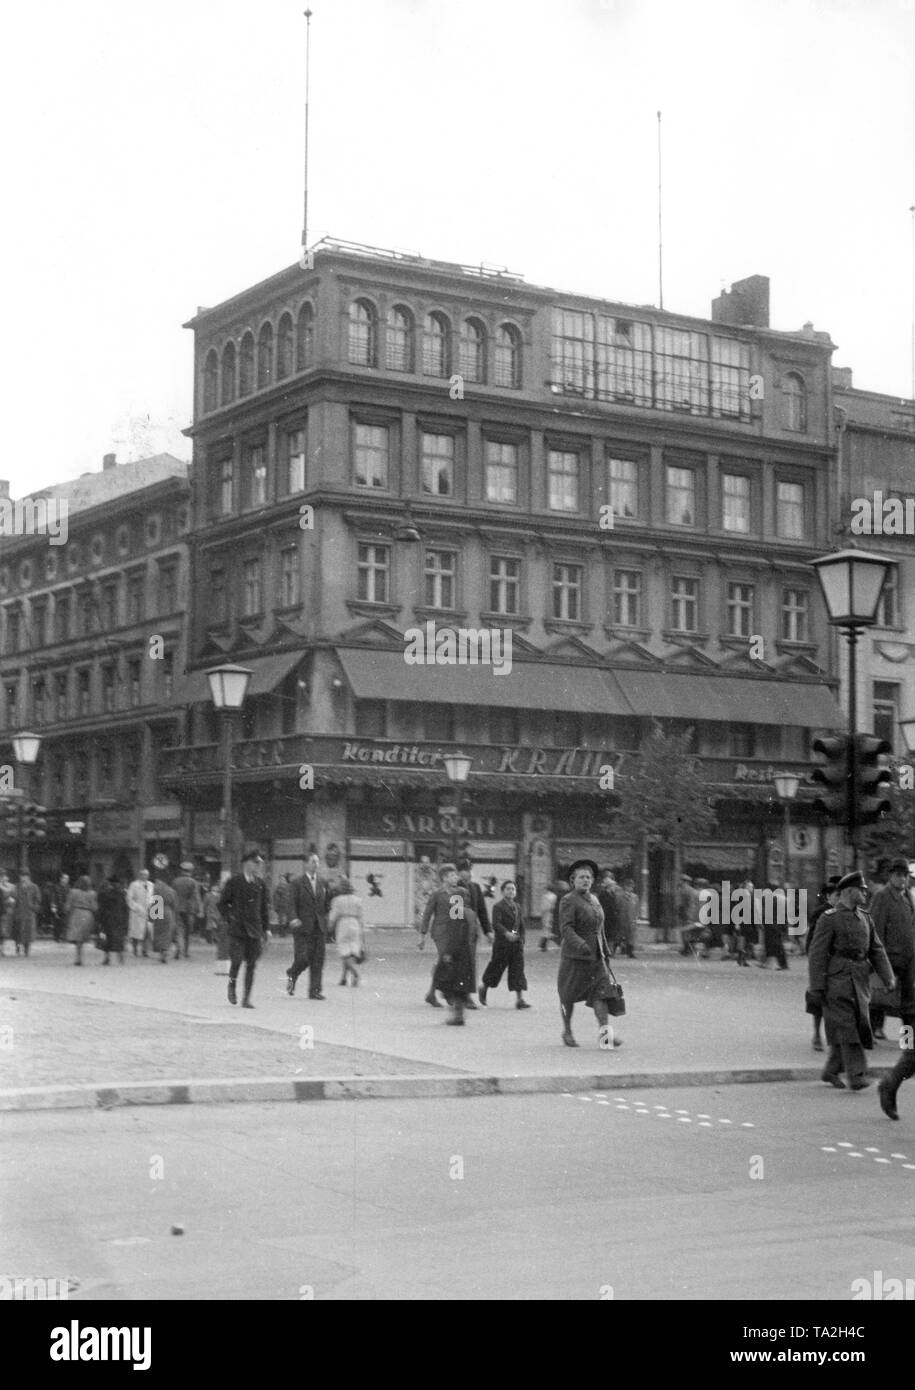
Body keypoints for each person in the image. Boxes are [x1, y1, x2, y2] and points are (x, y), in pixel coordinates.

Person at [807, 870, 895, 1091]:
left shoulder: (865, 918)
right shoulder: (829, 919)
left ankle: (831, 1070)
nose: (865, 894)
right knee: (848, 1027)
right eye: (861, 890)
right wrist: (817, 986)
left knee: (854, 1024)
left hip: (860, 979)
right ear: (849, 891)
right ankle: (856, 1075)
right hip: (837, 980)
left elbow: (877, 949)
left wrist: (888, 976)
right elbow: (817, 954)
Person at [557, 859, 624, 1050]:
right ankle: (567, 1031)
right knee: (567, 996)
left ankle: (605, 1036)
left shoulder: (594, 899)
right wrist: (580, 944)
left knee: (601, 994)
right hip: (574, 957)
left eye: (589, 877)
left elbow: (599, 927)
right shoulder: (568, 900)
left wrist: (605, 948)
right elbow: (566, 928)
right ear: (573, 880)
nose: (585, 880)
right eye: (581, 877)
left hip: (596, 956)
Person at [419, 867, 475, 1025]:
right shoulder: (438, 894)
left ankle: (433, 993)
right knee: (445, 960)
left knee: (445, 963)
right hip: (441, 932)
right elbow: (428, 913)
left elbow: (466, 912)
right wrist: (422, 935)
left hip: (456, 932)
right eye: (451, 875)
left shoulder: (461, 893)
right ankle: (446, 995)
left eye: (456, 874)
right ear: (444, 878)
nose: (455, 877)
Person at [868, 858, 915, 1041]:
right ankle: (872, 1031)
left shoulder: (909, 897)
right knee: (881, 998)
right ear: (890, 876)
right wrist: (878, 958)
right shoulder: (882, 896)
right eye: (898, 875)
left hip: (909, 959)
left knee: (909, 1005)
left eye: (905, 875)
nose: (902, 879)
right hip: (889, 958)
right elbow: (875, 928)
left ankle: (908, 1041)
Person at [219, 849, 270, 1007]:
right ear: (247, 863)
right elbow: (222, 904)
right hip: (238, 930)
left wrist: (267, 929)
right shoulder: (234, 882)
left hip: (254, 930)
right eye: (256, 863)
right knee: (236, 961)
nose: (258, 866)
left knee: (252, 965)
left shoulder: (260, 884)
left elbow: (264, 909)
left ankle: (246, 998)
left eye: (259, 863)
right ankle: (232, 985)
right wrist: (230, 918)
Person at [480, 879, 529, 1008]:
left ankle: (519, 1000)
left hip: (516, 944)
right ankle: (484, 988)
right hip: (502, 944)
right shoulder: (498, 907)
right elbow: (496, 923)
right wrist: (507, 933)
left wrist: (522, 937)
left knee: (517, 970)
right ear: (502, 892)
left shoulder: (517, 907)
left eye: (513, 889)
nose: (511, 891)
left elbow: (521, 924)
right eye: (508, 889)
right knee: (496, 968)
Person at [805, 876, 841, 1051]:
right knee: (818, 1000)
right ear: (828, 896)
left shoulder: (847, 912)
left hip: (839, 964)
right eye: (835, 895)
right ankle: (817, 1034)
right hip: (822, 962)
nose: (838, 899)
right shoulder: (820, 913)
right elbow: (811, 940)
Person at [286, 852, 329, 999]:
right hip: (302, 927)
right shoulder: (297, 882)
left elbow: (326, 903)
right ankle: (293, 973)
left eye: (317, 862)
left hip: (319, 927)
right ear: (306, 864)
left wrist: (326, 919)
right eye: (313, 861)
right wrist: (293, 918)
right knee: (303, 958)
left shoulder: (323, 882)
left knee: (318, 959)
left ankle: (314, 991)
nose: (316, 864)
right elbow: (291, 903)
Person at [457, 859, 492, 1008]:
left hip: (472, 932)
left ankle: (467, 995)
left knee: (470, 964)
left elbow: (482, 911)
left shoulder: (476, 888)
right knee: (456, 964)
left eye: (470, 869)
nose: (469, 872)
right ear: (459, 872)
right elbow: (454, 913)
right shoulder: (455, 887)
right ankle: (457, 994)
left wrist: (488, 931)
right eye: (465, 869)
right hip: (458, 932)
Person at [329, 877, 365, 986]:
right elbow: (361, 917)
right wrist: (361, 930)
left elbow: (333, 916)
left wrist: (330, 926)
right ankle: (344, 978)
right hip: (355, 924)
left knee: (344, 951)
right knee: (351, 951)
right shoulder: (358, 900)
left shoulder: (337, 900)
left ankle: (355, 973)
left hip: (343, 923)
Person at [65, 875, 98, 966]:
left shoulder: (73, 892)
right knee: (82, 937)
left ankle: (78, 956)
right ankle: (79, 955)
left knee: (77, 936)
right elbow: (95, 907)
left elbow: (67, 906)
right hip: (87, 915)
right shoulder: (92, 894)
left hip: (76, 914)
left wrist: (68, 911)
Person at [96, 875, 128, 965]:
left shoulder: (105, 893)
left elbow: (102, 907)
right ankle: (121, 959)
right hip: (119, 918)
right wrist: (126, 919)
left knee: (108, 938)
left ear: (111, 883)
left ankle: (107, 958)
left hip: (108, 918)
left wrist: (100, 919)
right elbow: (125, 908)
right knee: (119, 938)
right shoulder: (122, 893)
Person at [172, 861, 201, 959]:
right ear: (190, 871)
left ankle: (178, 949)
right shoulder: (193, 882)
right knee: (187, 931)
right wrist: (199, 909)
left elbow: (173, 895)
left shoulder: (175, 881)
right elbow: (196, 896)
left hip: (177, 908)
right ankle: (185, 951)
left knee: (178, 929)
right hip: (189, 910)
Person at [151, 868, 179, 964]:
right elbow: (175, 905)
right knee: (167, 933)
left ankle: (160, 954)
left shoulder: (156, 888)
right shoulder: (171, 890)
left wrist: (152, 915)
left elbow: (154, 901)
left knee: (158, 933)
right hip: (168, 912)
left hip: (158, 909)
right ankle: (165, 952)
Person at [758, 882, 789, 970]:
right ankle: (780, 963)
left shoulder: (769, 898)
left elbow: (763, 912)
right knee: (775, 944)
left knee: (772, 944)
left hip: (771, 924)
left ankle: (780, 963)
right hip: (779, 924)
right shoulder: (783, 898)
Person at [206, 873, 231, 973]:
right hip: (225, 922)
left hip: (224, 922)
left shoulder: (224, 896)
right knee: (224, 945)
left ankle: (222, 969)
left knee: (223, 945)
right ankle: (224, 968)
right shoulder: (225, 896)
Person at [12, 870, 41, 957]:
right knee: (17, 931)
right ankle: (17, 948)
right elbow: (13, 897)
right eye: (22, 876)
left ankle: (26, 949)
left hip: (29, 912)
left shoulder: (34, 887)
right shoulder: (17, 886)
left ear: (29, 877)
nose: (23, 878)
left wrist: (34, 907)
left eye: (25, 876)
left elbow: (38, 898)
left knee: (28, 932)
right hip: (18, 912)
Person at [127, 869, 153, 957]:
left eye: (146, 875)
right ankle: (135, 949)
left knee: (147, 932)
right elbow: (129, 898)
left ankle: (144, 950)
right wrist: (136, 907)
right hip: (137, 912)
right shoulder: (134, 885)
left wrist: (153, 909)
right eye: (143, 875)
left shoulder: (151, 885)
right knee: (135, 932)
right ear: (140, 875)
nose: (145, 876)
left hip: (148, 911)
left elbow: (153, 897)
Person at [678, 874, 703, 956]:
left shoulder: (686, 890)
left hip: (687, 913)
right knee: (689, 932)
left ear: (685, 882)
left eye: (682, 880)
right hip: (690, 913)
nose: (680, 882)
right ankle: (688, 948)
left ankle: (687, 948)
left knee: (685, 932)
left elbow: (684, 903)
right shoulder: (691, 890)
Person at [49, 873, 70, 942]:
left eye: (67, 879)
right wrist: (53, 906)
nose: (66, 880)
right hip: (58, 907)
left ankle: (63, 936)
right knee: (57, 922)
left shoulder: (68, 888)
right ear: (61, 879)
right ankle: (57, 937)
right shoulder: (56, 887)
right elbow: (53, 897)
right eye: (64, 878)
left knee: (64, 922)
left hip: (65, 908)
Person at [538, 882, 559, 951]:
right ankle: (544, 945)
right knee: (549, 929)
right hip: (553, 914)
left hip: (547, 914)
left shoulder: (546, 896)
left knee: (546, 929)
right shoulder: (555, 896)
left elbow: (544, 907)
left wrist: (542, 913)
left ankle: (543, 945)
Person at [0, 870, 16, 956]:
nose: (2, 878)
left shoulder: (9, 886)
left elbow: (11, 897)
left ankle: (2, 949)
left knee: (3, 931)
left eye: (3, 876)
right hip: (3, 910)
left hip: (3, 911)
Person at [273, 873, 294, 937]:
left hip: (288, 907)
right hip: (281, 907)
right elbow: (275, 898)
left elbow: (291, 896)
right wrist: (276, 907)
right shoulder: (278, 888)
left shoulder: (289, 887)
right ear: (279, 880)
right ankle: (282, 933)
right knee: (281, 921)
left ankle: (284, 931)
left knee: (288, 920)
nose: (282, 880)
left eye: (283, 879)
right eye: (281, 879)